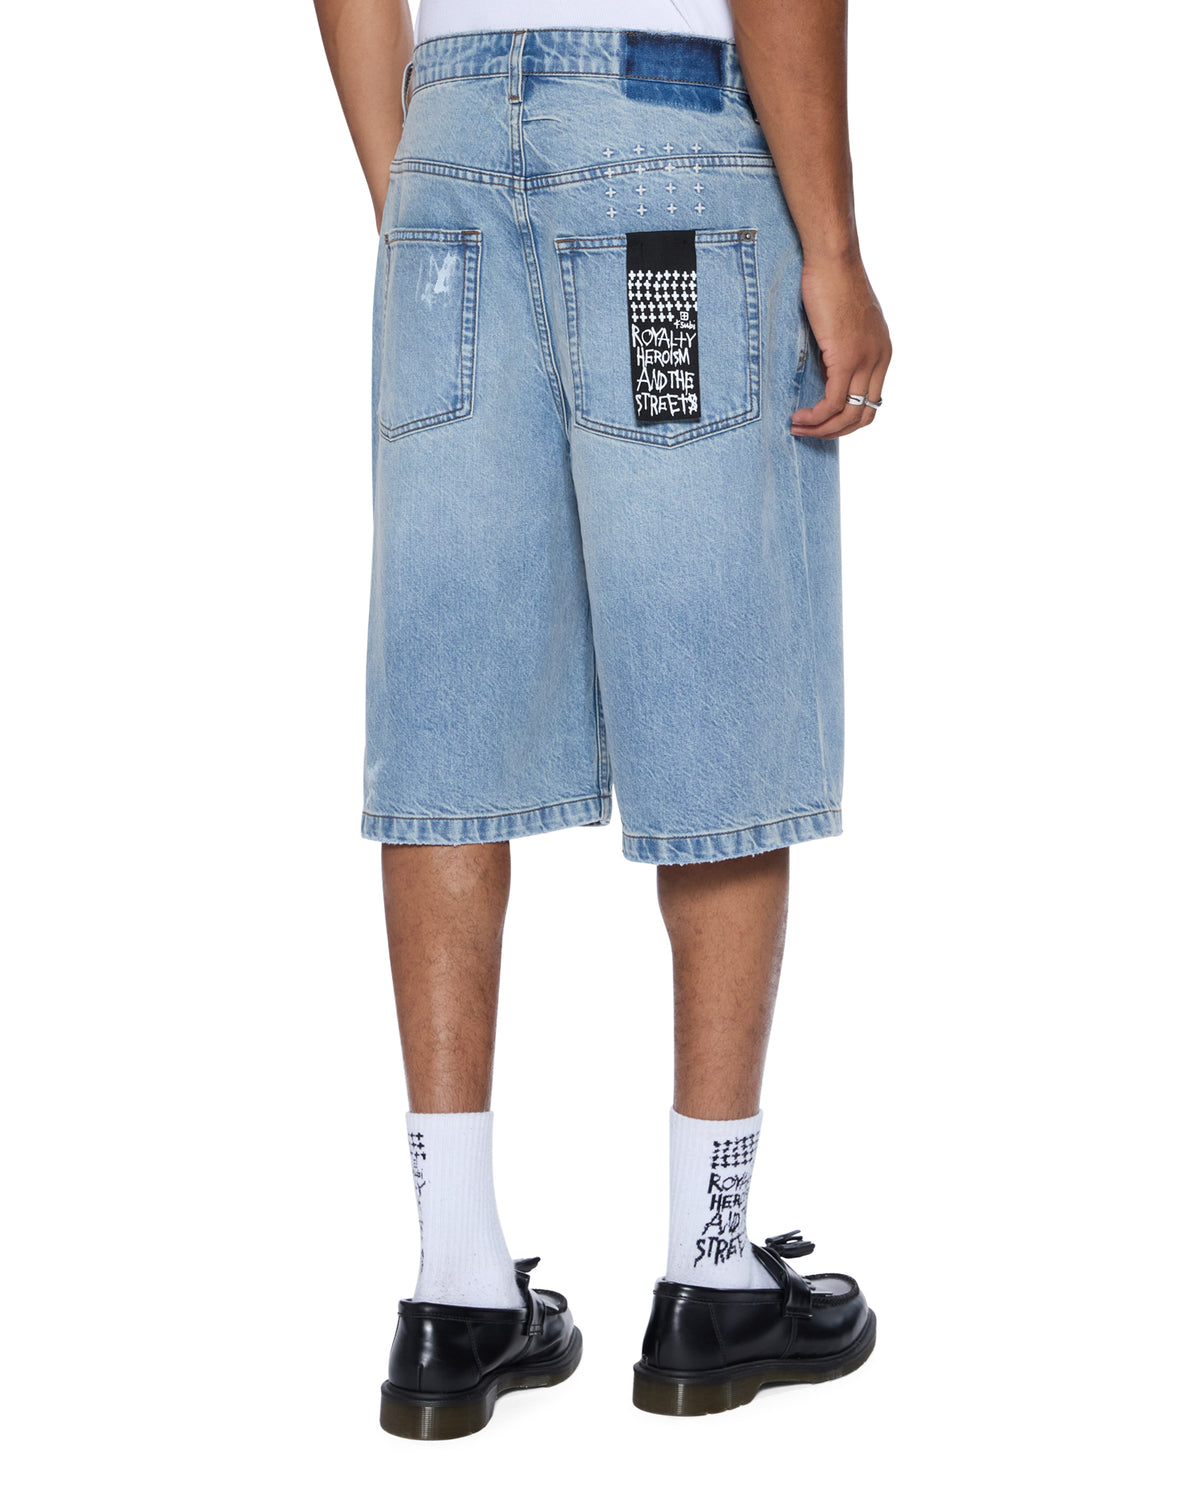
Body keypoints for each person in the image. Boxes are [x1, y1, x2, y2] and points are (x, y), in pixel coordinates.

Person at [314, 0, 891, 1439]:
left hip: (445, 156)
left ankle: (455, 1289)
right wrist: (832, 245)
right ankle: (710, 1270)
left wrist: (425, 191)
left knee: (444, 712)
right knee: (713, 685)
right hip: (659, 175)